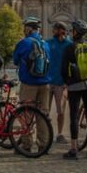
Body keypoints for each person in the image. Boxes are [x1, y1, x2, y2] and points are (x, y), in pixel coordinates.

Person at [12, 16, 51, 152]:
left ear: (29, 29)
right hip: (45, 84)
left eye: (25, 28)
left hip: (29, 83)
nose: (24, 30)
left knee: (26, 114)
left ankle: (27, 145)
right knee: (43, 115)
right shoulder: (46, 44)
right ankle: (43, 145)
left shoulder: (24, 43)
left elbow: (15, 60)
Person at [61, 20, 87, 159]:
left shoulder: (70, 47)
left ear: (76, 32)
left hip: (75, 85)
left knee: (74, 116)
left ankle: (73, 149)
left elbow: (63, 69)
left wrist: (67, 82)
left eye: (73, 30)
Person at [47, 21, 72, 144]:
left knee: (61, 111)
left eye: (55, 29)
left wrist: (68, 81)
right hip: (47, 82)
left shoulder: (69, 45)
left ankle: (60, 134)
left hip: (61, 83)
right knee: (43, 110)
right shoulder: (48, 43)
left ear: (62, 30)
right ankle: (46, 134)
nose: (53, 31)